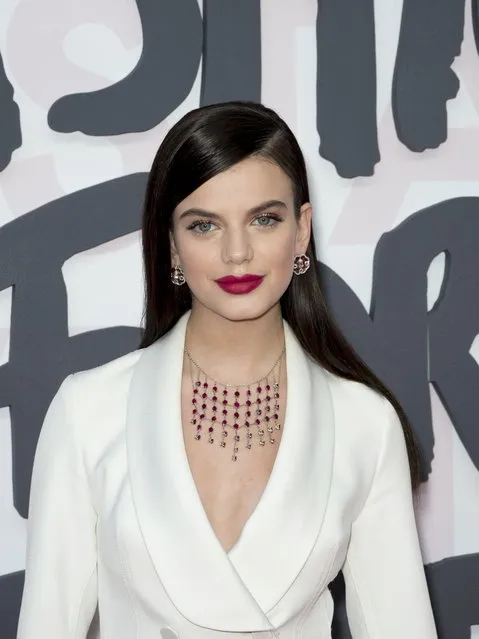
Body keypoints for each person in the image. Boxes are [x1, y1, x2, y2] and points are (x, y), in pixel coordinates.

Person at [16, 101, 438, 638]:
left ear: (302, 229)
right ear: (170, 241)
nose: (237, 252)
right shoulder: (88, 411)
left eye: (265, 219)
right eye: (204, 225)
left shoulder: (364, 424)